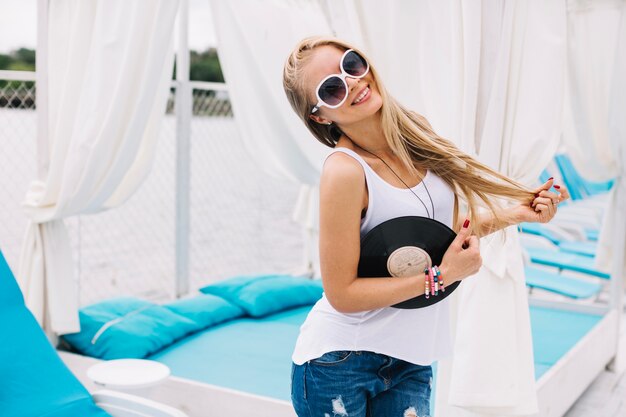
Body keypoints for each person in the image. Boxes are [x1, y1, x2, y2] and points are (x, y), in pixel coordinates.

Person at [282, 36, 569, 417]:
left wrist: (519, 213)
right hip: (340, 362)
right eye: (331, 88)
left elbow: (446, 234)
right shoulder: (344, 171)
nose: (351, 82)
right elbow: (342, 293)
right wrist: (442, 277)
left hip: (411, 360)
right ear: (320, 115)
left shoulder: (416, 134)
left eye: (351, 65)